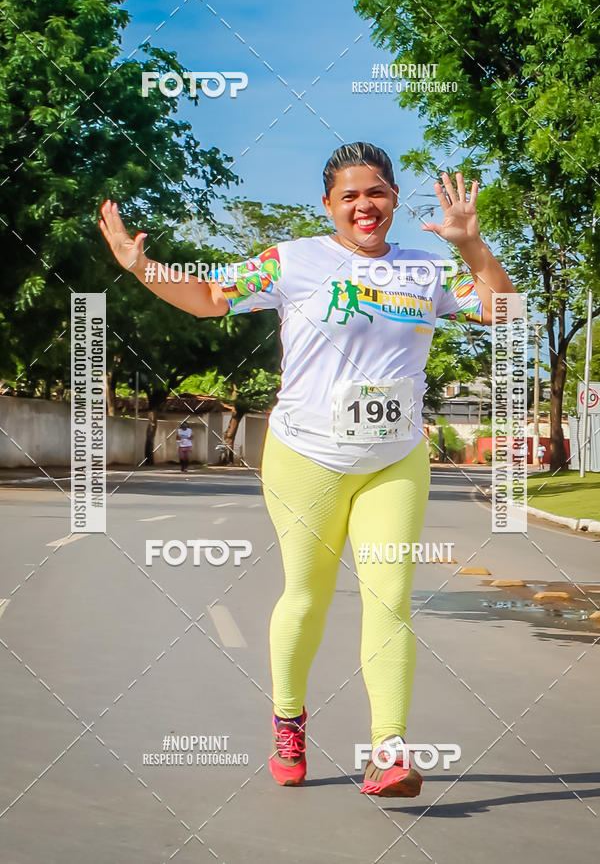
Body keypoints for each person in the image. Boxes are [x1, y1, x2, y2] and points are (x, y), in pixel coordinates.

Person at [99, 142, 516, 798]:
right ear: (328, 205)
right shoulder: (293, 261)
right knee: (308, 595)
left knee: (390, 599)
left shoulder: (426, 269)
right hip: (306, 458)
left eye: (376, 192)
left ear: (394, 198)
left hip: (394, 459)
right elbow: (208, 296)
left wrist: (471, 245)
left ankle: (389, 749)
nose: (364, 205)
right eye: (349, 195)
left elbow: (504, 310)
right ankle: (289, 722)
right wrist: (138, 264)